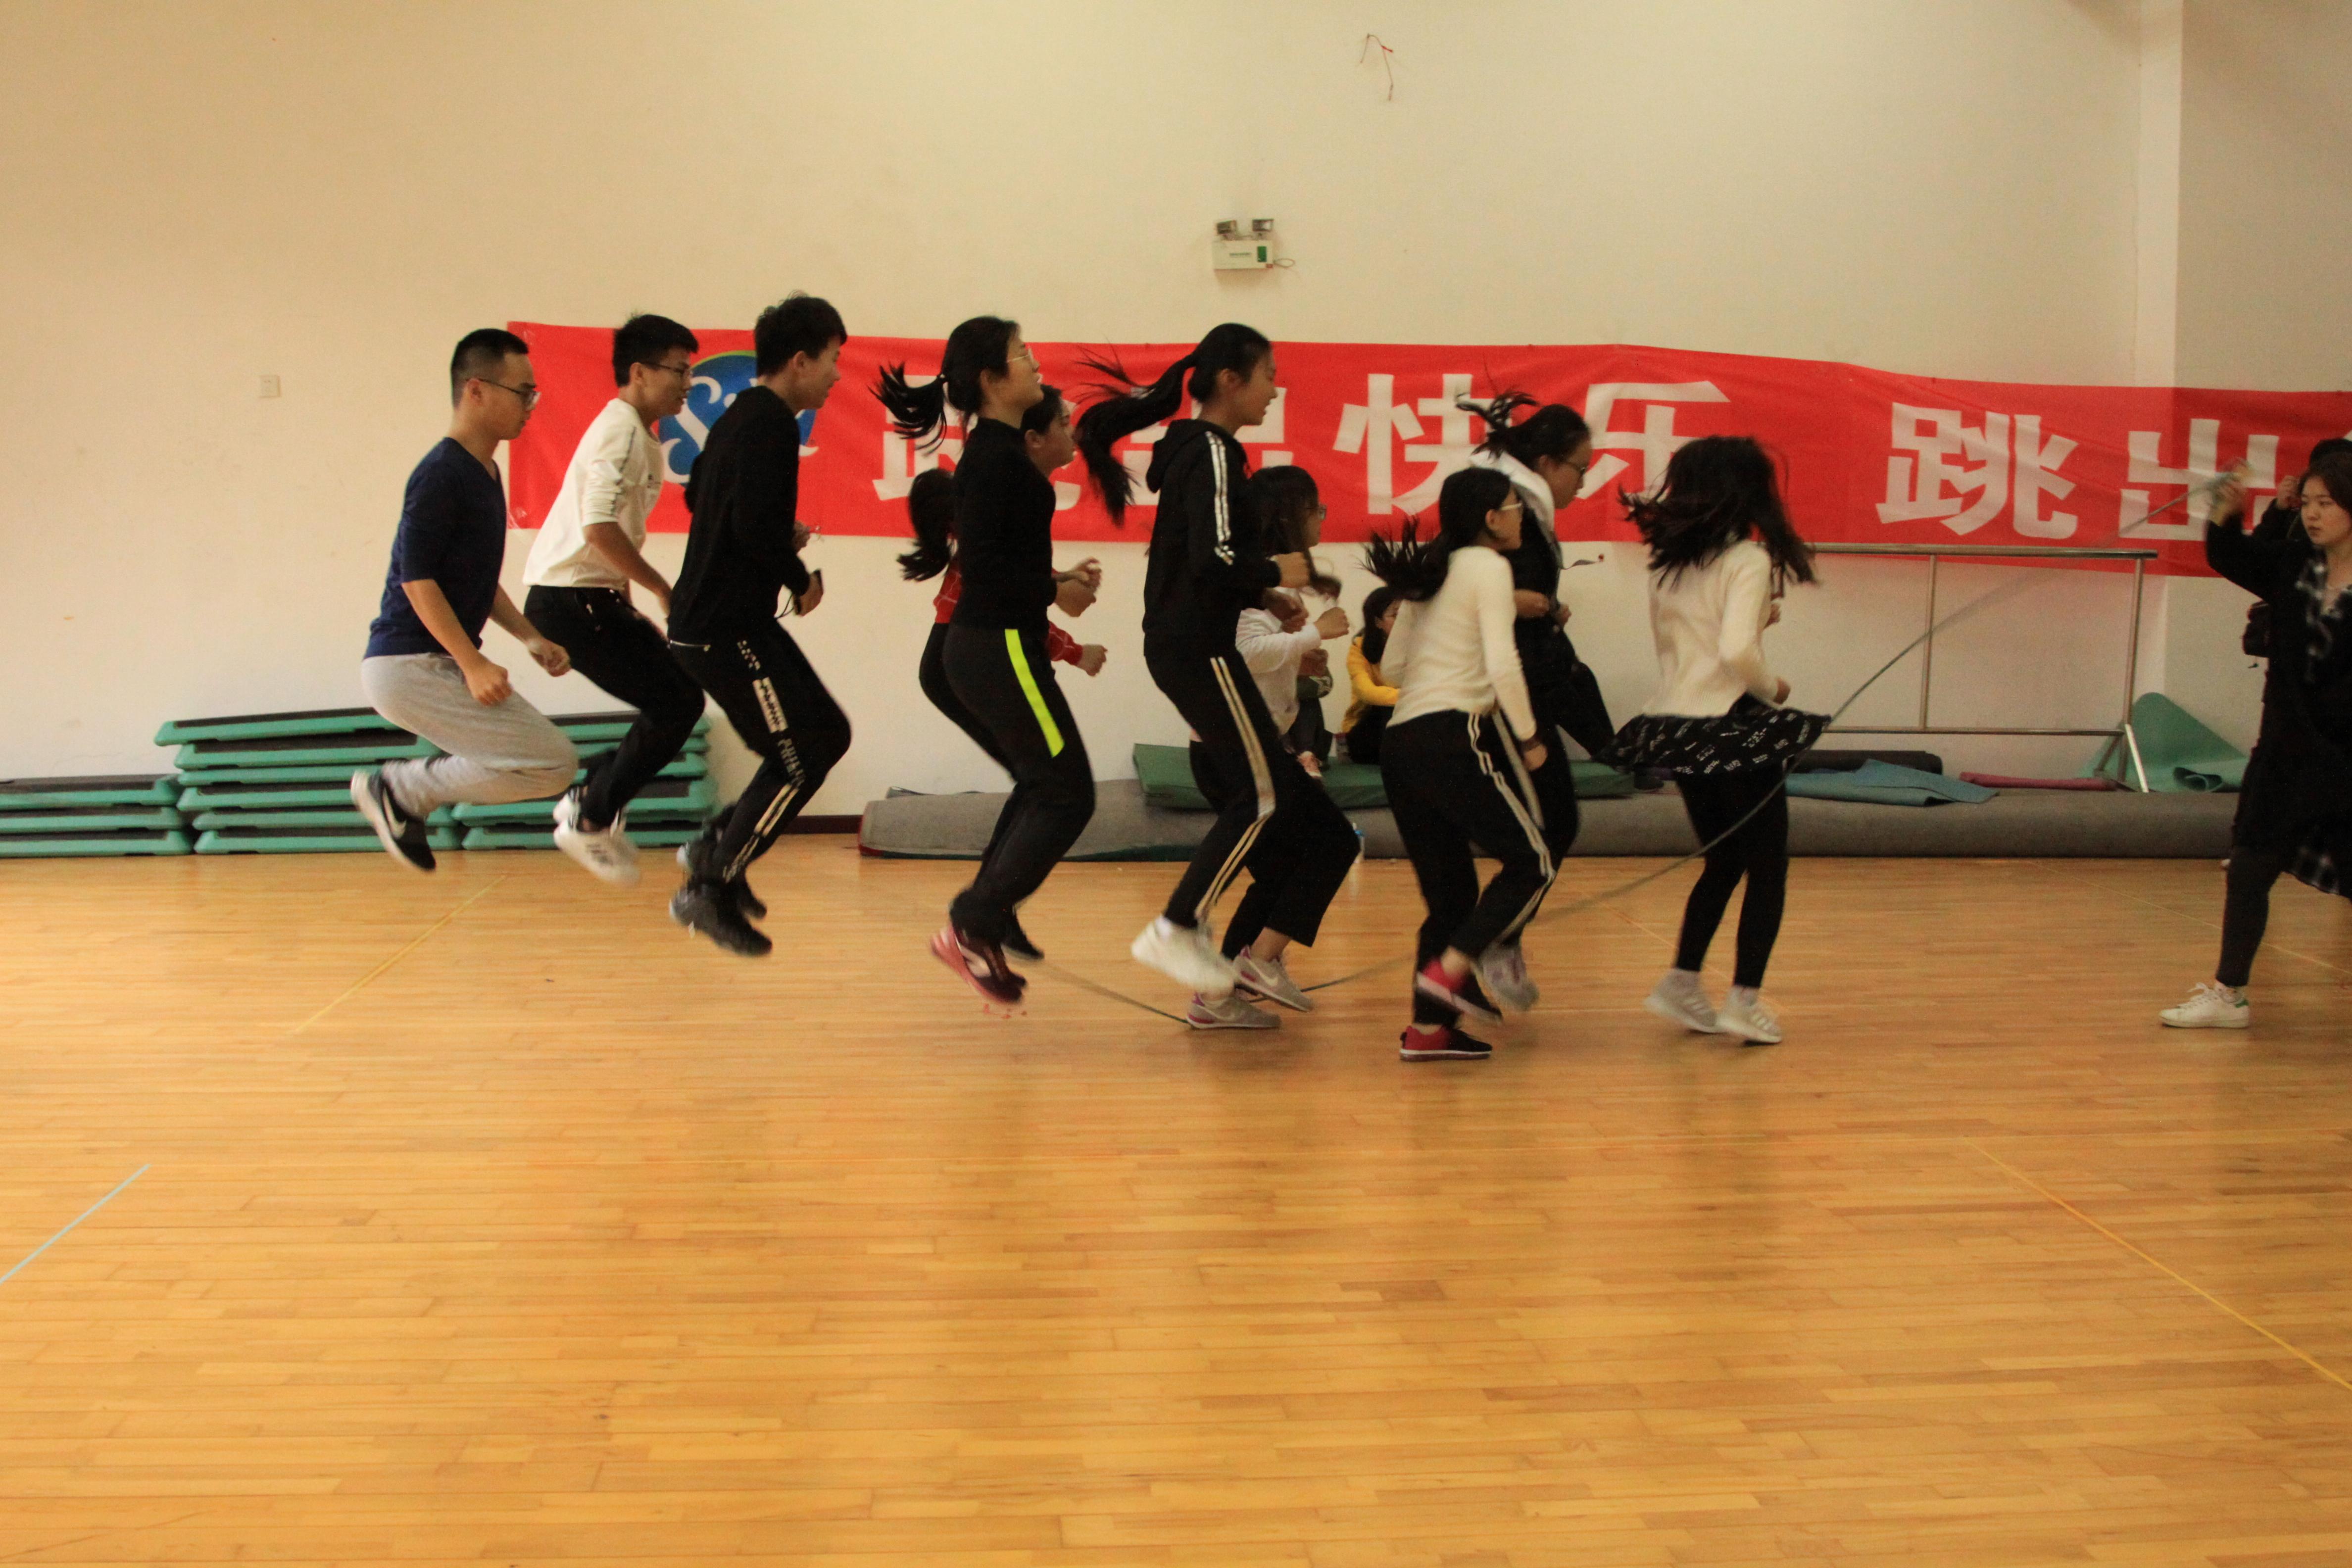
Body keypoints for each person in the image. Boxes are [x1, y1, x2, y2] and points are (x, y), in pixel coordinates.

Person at [1075, 323, 1361, 1030]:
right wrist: (1278, 571)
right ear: (1232, 380)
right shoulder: (1212, 451)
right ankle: (1178, 926)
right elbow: (1215, 559)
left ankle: (1234, 959)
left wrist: (1264, 593)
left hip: (1187, 641)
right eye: (1269, 376)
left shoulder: (1199, 452)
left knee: (1289, 809)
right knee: (1259, 796)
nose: (1275, 390)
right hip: (1194, 645)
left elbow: (1198, 562)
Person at [875, 319, 1101, 1010]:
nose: (1036, 364)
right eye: (1022, 355)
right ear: (992, 379)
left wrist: (1054, 584)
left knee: (1046, 786)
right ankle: (973, 923)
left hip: (992, 645)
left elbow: (999, 563)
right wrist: (1058, 592)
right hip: (996, 645)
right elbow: (990, 573)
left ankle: (988, 917)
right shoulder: (1000, 462)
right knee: (1066, 793)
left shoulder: (995, 455)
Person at [1604, 436, 1825, 1046]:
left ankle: (1682, 981)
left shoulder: (1668, 564)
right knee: (1767, 867)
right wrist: (1774, 686)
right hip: (1731, 722)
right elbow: (1734, 654)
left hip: (1675, 723)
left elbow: (1687, 647)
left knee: (1724, 861)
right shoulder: (1748, 558)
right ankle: (1744, 1001)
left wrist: (1753, 629)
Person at [1367, 468, 1579, 1061]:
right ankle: (1453, 970)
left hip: (1400, 743)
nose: (1521, 516)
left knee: (1452, 898)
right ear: (1491, 518)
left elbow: (1392, 670)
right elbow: (1502, 662)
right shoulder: (1488, 566)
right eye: (1514, 506)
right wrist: (1530, 738)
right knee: (1533, 860)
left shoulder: (1431, 572)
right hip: (1452, 735)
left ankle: (1428, 1031)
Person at [664, 294, 852, 957]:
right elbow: (745, 525)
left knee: (827, 734)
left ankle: (717, 847)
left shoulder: (742, 415)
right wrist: (800, 579)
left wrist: (775, 529)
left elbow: (701, 495)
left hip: (725, 623)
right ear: (799, 361)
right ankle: (709, 887)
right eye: (832, 360)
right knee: (800, 759)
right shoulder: (770, 424)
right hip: (722, 630)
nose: (836, 375)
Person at [352, 329, 579, 872]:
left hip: (433, 661)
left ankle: (404, 792)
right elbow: (417, 580)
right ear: (476, 390)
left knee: (552, 764)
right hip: (409, 665)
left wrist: (529, 636)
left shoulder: (485, 472)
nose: (530, 405)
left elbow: (479, 580)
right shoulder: (440, 474)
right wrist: (472, 662)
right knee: (551, 762)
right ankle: (401, 789)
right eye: (522, 392)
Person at [2160, 448, 2352, 1029]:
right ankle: (2229, 994)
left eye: (2327, 504)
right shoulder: (2295, 563)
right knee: (2249, 867)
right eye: (2309, 503)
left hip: (2346, 760)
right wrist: (2227, 508)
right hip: (2287, 753)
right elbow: (2230, 555)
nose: (2312, 514)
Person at [520, 314, 711, 886]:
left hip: (589, 598)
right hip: (570, 600)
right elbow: (598, 528)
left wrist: (626, 601)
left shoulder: (637, 435)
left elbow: (614, 534)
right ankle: (590, 814)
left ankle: (592, 799)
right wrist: (660, 588)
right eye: (679, 371)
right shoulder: (620, 432)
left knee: (677, 698)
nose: (687, 384)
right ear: (639, 372)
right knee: (677, 703)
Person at [1461, 392, 1616, 758]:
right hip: (1511, 683)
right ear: (1547, 463)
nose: (1582, 484)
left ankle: (1623, 757)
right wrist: (1507, 601)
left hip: (1539, 671)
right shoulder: (1501, 510)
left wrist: (1548, 607)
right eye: (1580, 470)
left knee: (1581, 686)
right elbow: (1446, 577)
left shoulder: (1531, 512)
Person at [1232, 466, 1347, 778]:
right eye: (1316, 509)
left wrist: (1295, 661)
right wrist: (1316, 632)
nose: (1321, 519)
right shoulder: (1267, 575)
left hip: (1258, 735)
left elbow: (1257, 653)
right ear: (1289, 517)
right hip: (1241, 740)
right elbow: (1245, 653)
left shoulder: (1275, 574)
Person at [1341, 588, 1401, 765]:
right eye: (1396, 615)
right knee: (1388, 708)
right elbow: (1367, 692)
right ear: (1378, 622)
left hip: (1404, 723)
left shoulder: (1419, 646)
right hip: (1366, 732)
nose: (1404, 622)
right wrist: (1411, 697)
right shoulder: (1359, 648)